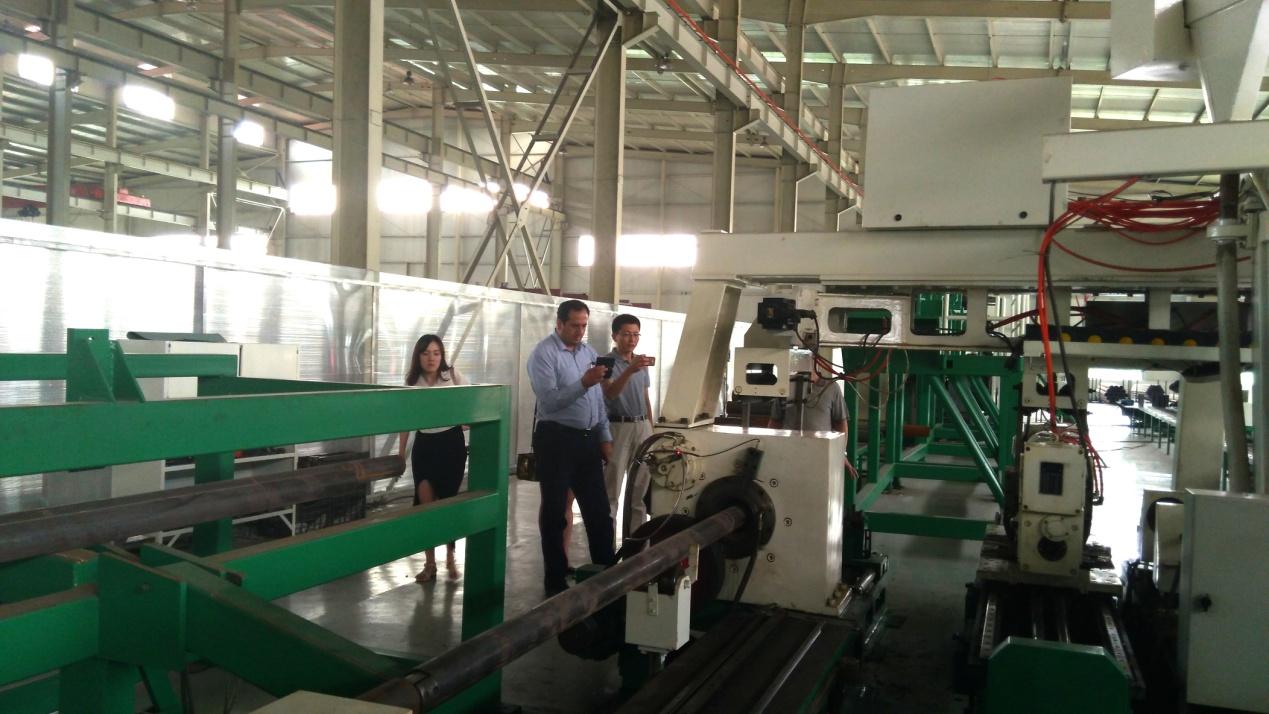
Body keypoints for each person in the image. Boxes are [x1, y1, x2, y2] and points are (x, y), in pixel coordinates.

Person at [526, 299, 615, 596]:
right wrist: (583, 383)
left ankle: (607, 573)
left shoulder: (588, 353)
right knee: (555, 512)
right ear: (560, 323)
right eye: (575, 325)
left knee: (599, 511)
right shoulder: (543, 355)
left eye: (584, 325)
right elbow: (550, 402)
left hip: (587, 441)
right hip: (556, 440)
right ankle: (554, 578)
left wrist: (604, 436)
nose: (580, 331)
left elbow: (597, 401)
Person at [397, 334, 468, 583]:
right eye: (426, 353)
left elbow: (472, 402)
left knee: (447, 503)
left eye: (436, 353)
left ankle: (450, 556)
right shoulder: (412, 383)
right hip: (425, 446)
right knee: (425, 504)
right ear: (418, 356)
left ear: (442, 355)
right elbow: (404, 421)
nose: (432, 358)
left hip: (451, 445)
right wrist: (400, 454)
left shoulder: (452, 376)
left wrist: (464, 421)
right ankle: (429, 564)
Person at [601, 314, 655, 533]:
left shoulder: (642, 362)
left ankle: (637, 543)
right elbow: (610, 393)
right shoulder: (606, 362)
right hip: (617, 427)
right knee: (611, 489)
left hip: (642, 427)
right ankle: (606, 545)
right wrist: (630, 369)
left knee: (640, 490)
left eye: (635, 334)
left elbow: (645, 397)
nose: (632, 339)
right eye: (626, 334)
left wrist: (651, 429)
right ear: (615, 336)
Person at [770, 367, 848, 434]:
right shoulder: (785, 385)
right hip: (789, 444)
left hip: (820, 445)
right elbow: (775, 421)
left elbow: (840, 423)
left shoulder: (832, 387)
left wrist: (841, 446)